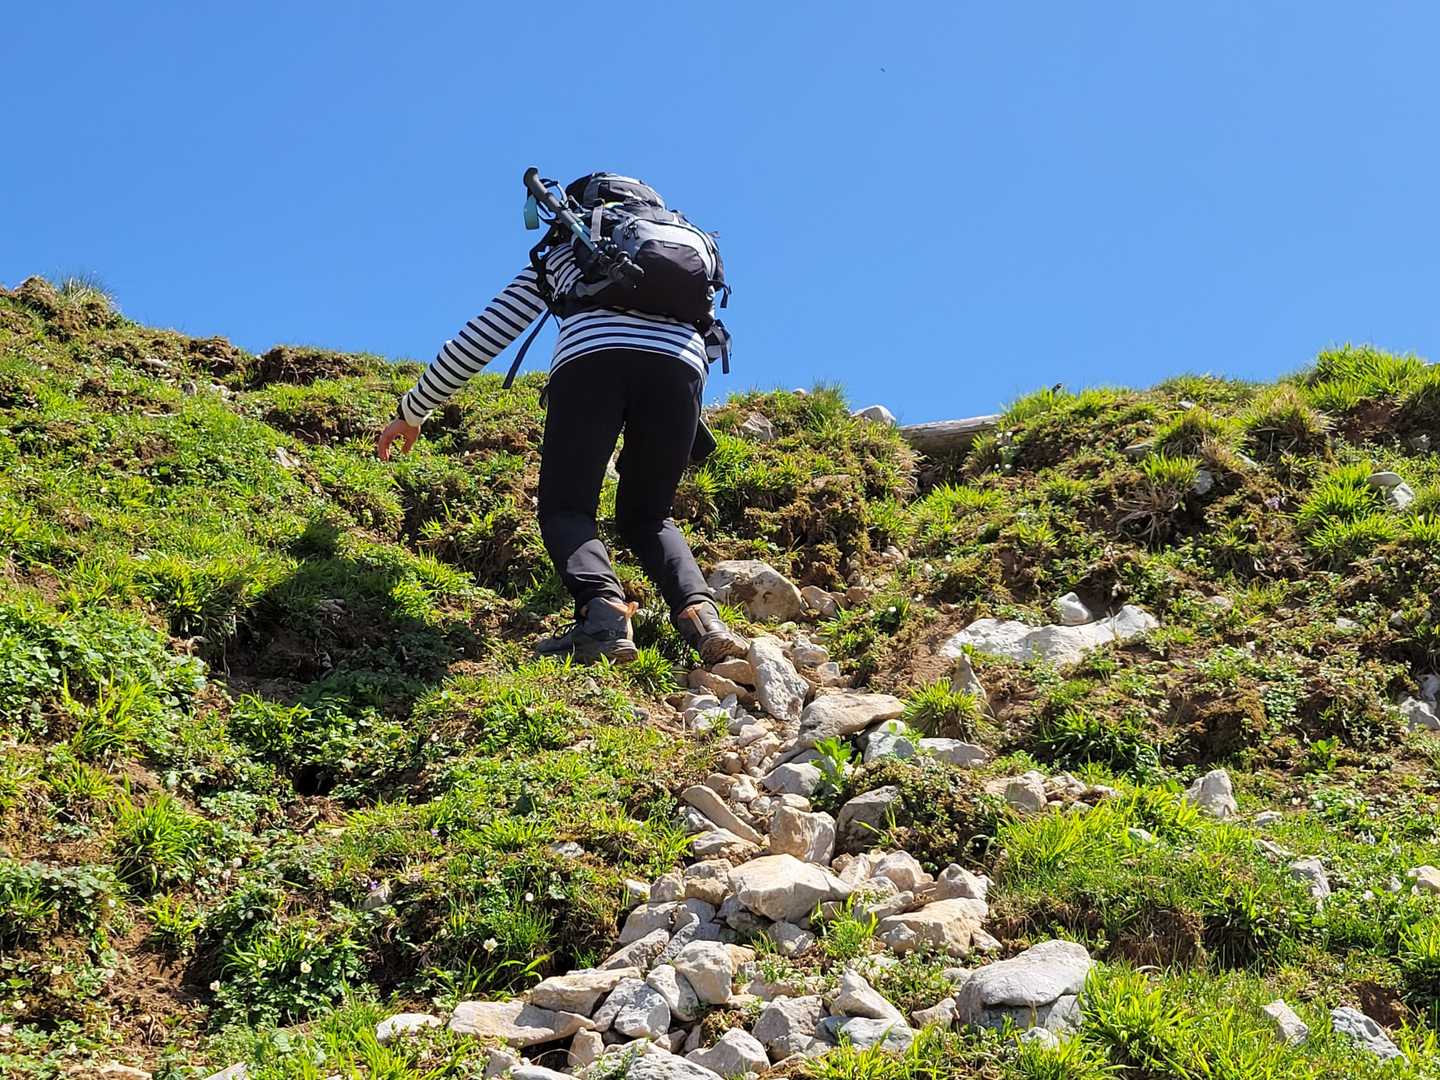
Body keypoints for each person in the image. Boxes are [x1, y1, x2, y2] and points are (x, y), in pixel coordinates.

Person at [377, 172, 748, 666]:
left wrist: (414, 410)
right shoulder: (689, 250)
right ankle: (702, 618)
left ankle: (604, 616)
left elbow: (486, 333)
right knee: (649, 516)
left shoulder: (570, 246)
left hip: (590, 364)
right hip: (680, 371)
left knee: (567, 509)